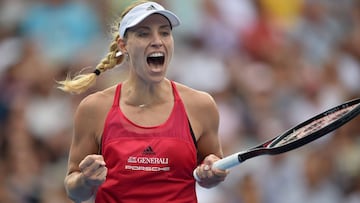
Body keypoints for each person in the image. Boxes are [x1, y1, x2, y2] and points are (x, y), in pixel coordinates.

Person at [58, 1, 228, 202]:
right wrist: (86, 180)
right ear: (123, 45)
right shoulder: (94, 108)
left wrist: (212, 173)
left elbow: (210, 177)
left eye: (164, 33)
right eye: (144, 33)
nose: (157, 41)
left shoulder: (201, 106)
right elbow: (74, 191)